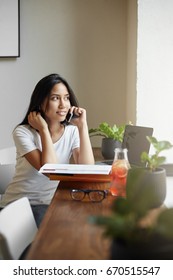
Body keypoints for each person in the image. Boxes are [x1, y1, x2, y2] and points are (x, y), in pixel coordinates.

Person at [0, 73, 94, 226]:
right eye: (55, 98)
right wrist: (43, 129)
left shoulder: (71, 131)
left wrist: (83, 127)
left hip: (50, 203)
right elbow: (50, 170)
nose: (63, 105)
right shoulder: (23, 132)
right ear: (40, 103)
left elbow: (87, 169)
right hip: (21, 205)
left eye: (66, 97)